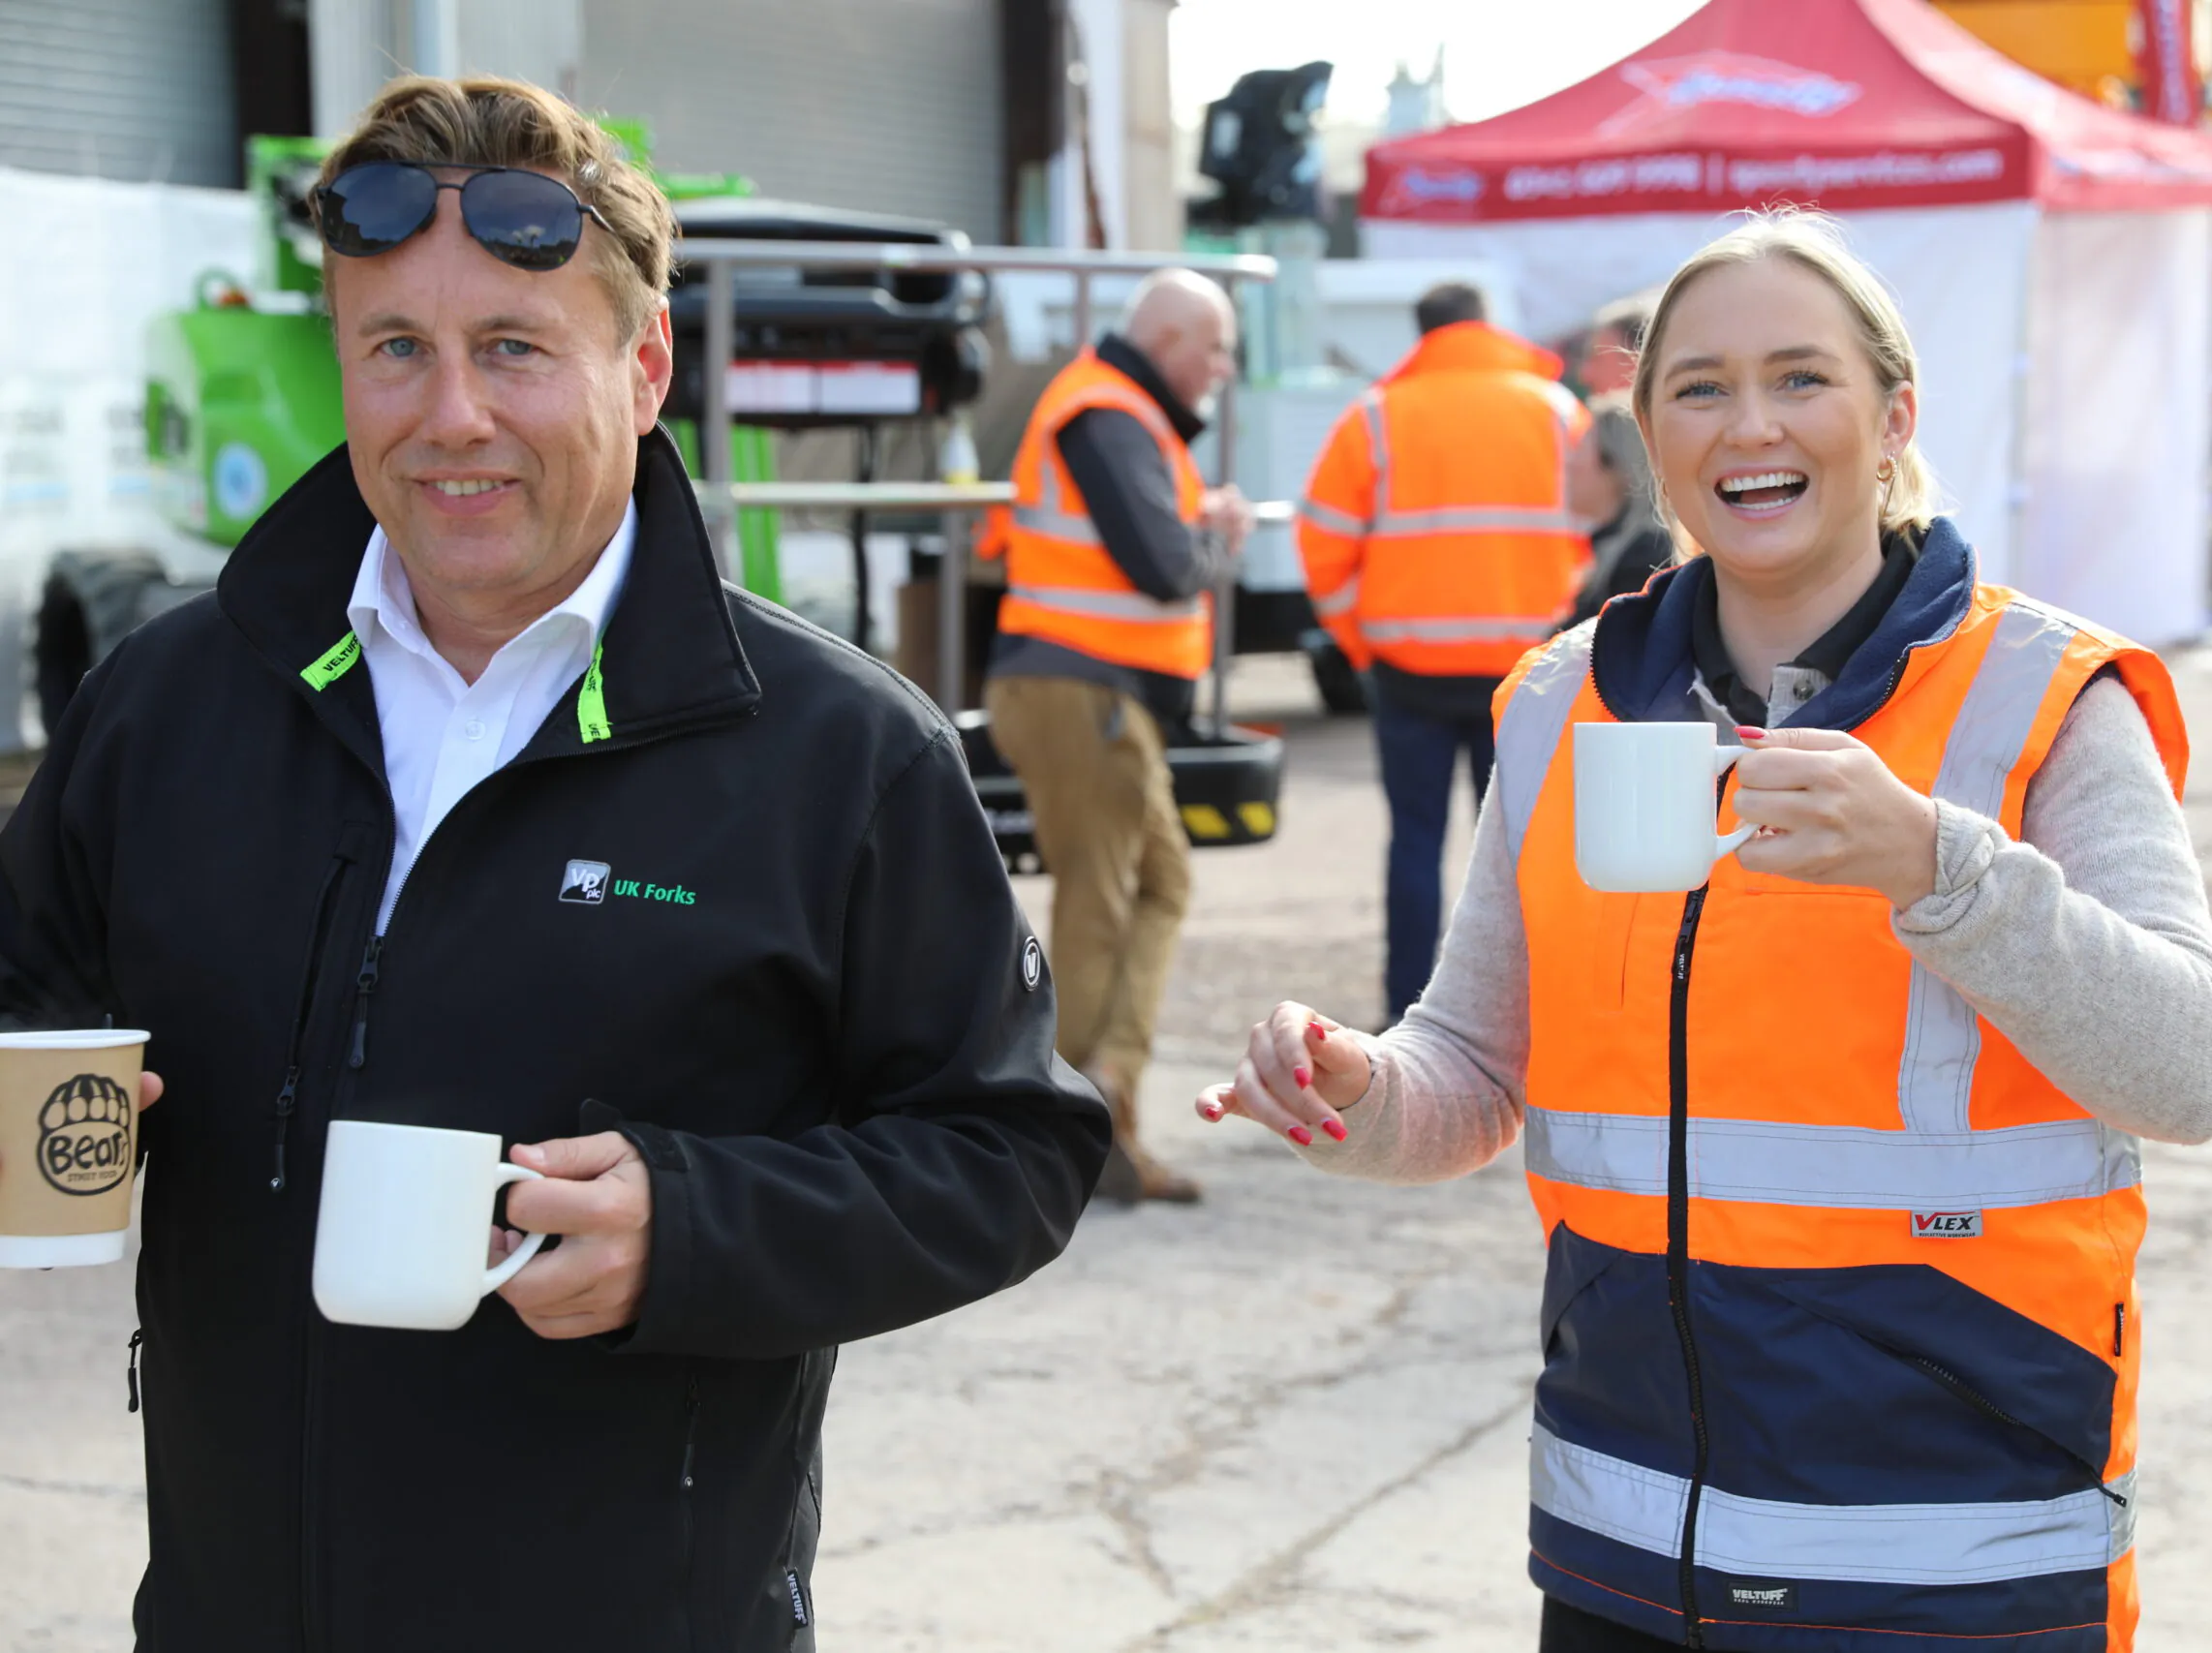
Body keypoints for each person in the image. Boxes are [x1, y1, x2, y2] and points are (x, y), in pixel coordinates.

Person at [0, 76, 1109, 1650]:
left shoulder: (839, 756)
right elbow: (27, 979)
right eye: (397, 347)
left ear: (643, 368)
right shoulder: (169, 701)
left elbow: (1011, 1149)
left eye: (515, 347)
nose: (452, 414)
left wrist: (696, 1227)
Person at [1202, 211, 2212, 1652]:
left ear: (1894, 418)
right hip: (1628, 1546)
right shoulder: (1563, 702)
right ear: (1650, 437)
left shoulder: (2044, 695)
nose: (1751, 424)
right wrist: (1357, 1087)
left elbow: (2188, 1070)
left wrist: (1941, 868)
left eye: (1801, 376)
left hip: (1952, 1561)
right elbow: (1475, 1067)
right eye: (1700, 387)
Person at [982, 269, 1253, 1204]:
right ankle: (1070, 1131)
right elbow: (1165, 566)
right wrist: (1219, 535)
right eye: (1215, 347)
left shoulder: (1116, 410)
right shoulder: (1107, 410)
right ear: (1168, 340)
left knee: (1154, 882)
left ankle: (1105, 1094)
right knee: (1107, 898)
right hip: (1080, 690)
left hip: (1090, 693)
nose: (1222, 368)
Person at [1298, 281, 1591, 1025]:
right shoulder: (1557, 411)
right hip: (1530, 671)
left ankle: (1405, 1009)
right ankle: (1536, 1013)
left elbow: (1321, 541)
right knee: (1528, 849)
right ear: (1485, 326)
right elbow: (1598, 526)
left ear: (1422, 333)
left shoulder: (1376, 416)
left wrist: (1358, 641)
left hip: (1409, 669)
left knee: (1415, 843)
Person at [1562, 392, 1674, 628]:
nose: (1568, 463)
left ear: (1617, 467)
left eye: (1580, 449)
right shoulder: (1619, 551)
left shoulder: (1646, 561)